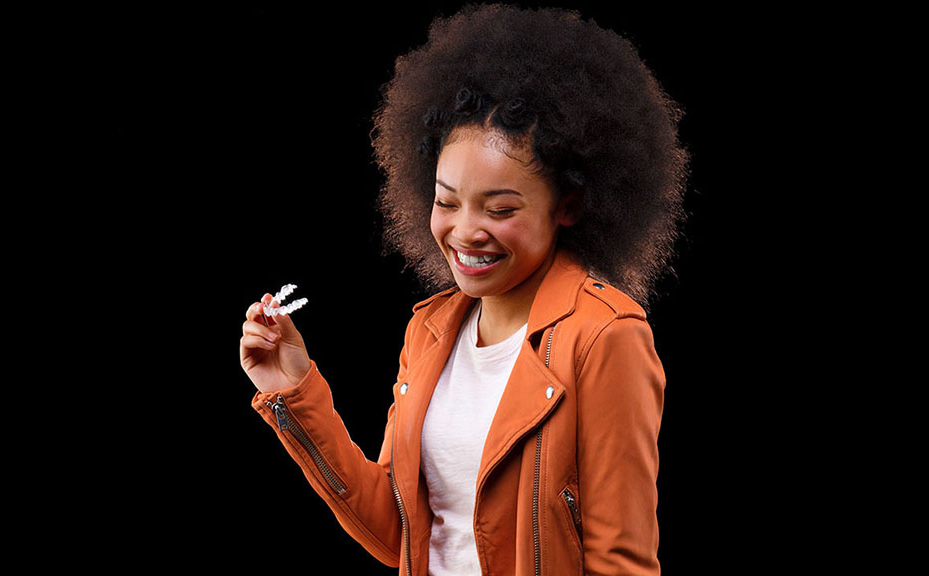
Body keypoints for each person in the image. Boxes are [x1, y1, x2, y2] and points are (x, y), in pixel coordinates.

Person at [239, 3, 690, 574]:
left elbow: (620, 560)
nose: (464, 231)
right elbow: (400, 535)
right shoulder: (430, 329)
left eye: (499, 208)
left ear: (569, 206)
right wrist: (292, 392)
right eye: (446, 201)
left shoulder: (604, 338)